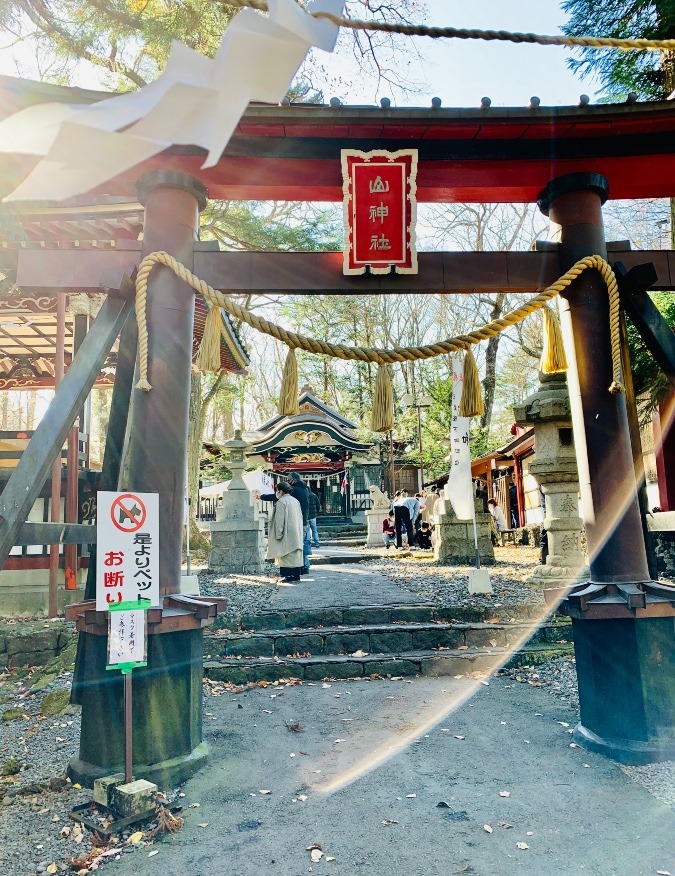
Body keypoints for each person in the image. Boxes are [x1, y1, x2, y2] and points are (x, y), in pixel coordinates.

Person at [264, 482, 304, 582]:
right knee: (295, 555)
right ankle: (296, 575)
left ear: (280, 491)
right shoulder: (295, 501)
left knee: (286, 554)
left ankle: (288, 575)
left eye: (277, 491)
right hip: (296, 531)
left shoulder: (281, 502)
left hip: (286, 532)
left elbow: (279, 520)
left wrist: (278, 533)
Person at [287, 473, 312, 574]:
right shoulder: (306, 489)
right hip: (306, 519)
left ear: (293, 480)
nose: (288, 481)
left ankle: (299, 566)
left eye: (288, 479)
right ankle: (306, 565)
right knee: (305, 543)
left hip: (298, 519)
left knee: (297, 544)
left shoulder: (294, 490)